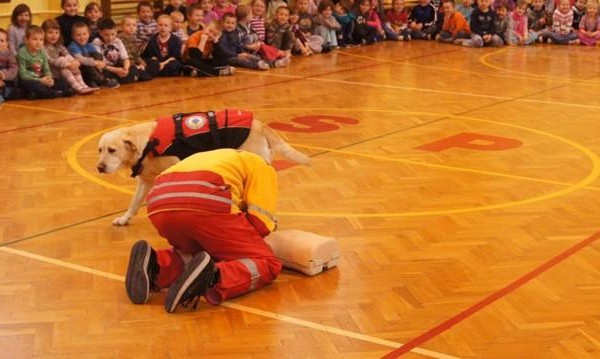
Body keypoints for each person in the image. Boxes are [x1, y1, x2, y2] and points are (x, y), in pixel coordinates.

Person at [124, 148, 282, 314]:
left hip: (158, 201)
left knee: (200, 252)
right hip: (205, 199)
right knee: (267, 262)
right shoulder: (263, 166)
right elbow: (260, 222)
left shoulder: (222, 158)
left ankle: (156, 266)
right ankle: (212, 277)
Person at [42, 19, 97, 95]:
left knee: (68, 60)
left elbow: (67, 53)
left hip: (61, 70)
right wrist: (67, 64)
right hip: (51, 72)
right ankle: (77, 88)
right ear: (43, 33)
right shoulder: (42, 47)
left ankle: (83, 85)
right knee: (63, 63)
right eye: (50, 32)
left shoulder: (58, 45)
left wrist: (73, 62)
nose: (54, 35)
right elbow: (50, 60)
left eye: (56, 33)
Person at [17, 26, 72, 99]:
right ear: (26, 40)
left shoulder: (42, 51)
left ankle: (45, 93)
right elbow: (22, 74)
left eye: (41, 40)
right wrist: (40, 80)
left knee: (63, 83)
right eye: (35, 39)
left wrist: (49, 77)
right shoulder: (22, 53)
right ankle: (55, 93)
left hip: (41, 77)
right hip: (29, 80)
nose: (38, 42)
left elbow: (46, 67)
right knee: (33, 85)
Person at [68, 21, 119, 88]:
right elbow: (81, 60)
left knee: (98, 57)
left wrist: (98, 60)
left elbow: (97, 54)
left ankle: (94, 81)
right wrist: (95, 62)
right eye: (78, 35)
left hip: (90, 69)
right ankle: (103, 81)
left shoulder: (88, 45)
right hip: (80, 70)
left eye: (84, 34)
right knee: (88, 65)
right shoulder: (73, 46)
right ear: (73, 36)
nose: (82, 37)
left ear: (89, 34)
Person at [93, 18, 139, 85]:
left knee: (132, 68)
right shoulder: (96, 42)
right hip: (106, 68)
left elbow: (126, 59)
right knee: (98, 72)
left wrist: (126, 69)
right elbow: (100, 64)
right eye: (106, 35)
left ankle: (115, 80)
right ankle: (118, 80)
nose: (110, 38)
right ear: (100, 33)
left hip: (117, 66)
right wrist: (116, 71)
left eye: (113, 34)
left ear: (116, 32)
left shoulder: (118, 41)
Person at [118, 15, 154, 81]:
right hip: (125, 64)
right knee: (145, 76)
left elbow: (136, 54)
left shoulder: (133, 38)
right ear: (122, 27)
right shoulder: (121, 39)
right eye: (128, 25)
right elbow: (127, 57)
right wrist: (137, 66)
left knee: (152, 64)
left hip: (134, 62)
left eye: (134, 25)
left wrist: (141, 62)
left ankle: (138, 74)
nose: (131, 27)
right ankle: (136, 74)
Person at [0, 28, 19, 103]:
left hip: (7, 81)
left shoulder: (9, 55)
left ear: (7, 43)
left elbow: (13, 70)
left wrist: (2, 75)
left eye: (2, 41)